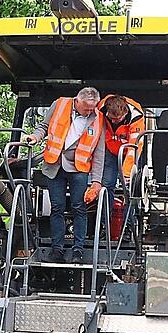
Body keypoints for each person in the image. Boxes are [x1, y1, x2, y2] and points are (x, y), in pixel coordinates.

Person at [24, 87, 106, 263]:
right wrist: (35, 137)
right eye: (86, 108)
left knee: (79, 207)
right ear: (77, 100)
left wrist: (97, 181)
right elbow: (44, 126)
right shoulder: (59, 105)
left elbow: (99, 152)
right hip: (55, 164)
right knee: (57, 207)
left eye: (92, 108)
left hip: (79, 168)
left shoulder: (98, 118)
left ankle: (78, 251)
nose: (89, 112)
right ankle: (57, 250)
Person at [98, 94, 145, 201]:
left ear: (125, 113)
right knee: (107, 184)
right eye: (111, 118)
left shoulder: (136, 117)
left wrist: (127, 173)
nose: (113, 121)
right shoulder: (101, 108)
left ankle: (130, 212)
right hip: (110, 149)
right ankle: (106, 211)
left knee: (131, 187)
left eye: (117, 119)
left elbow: (134, 148)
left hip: (129, 152)